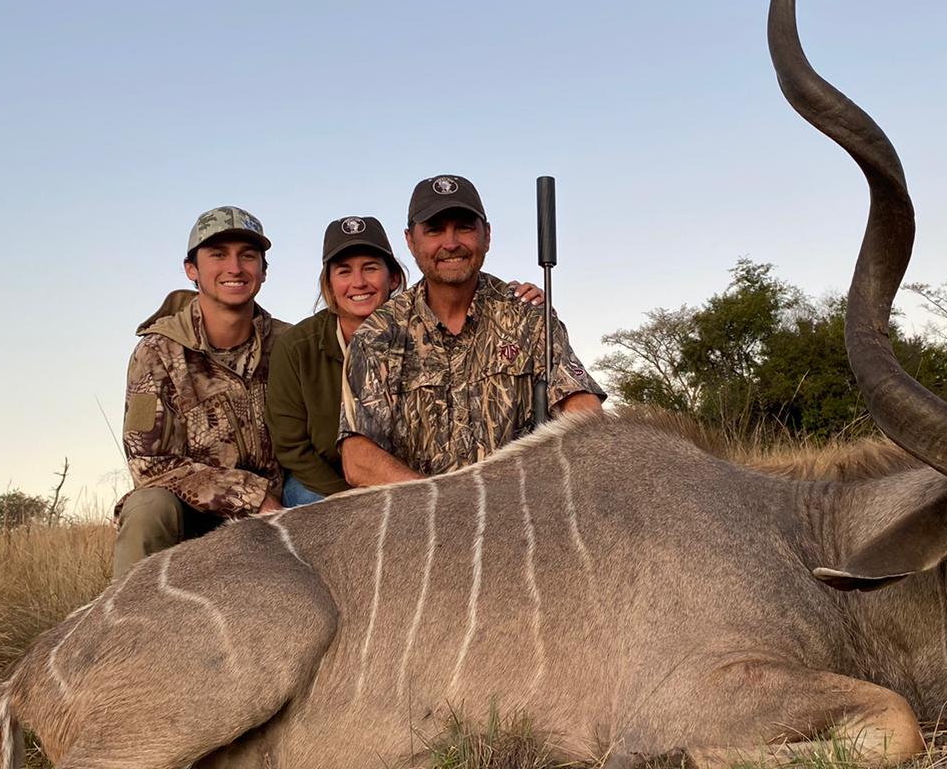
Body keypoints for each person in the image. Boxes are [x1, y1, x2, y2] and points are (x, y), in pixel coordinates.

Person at [338, 174, 606, 485]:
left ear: (487, 235)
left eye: (464, 227)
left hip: (518, 510)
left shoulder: (529, 315)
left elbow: (582, 409)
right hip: (418, 518)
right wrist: (443, 505)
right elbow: (357, 459)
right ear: (410, 242)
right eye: (435, 230)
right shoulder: (377, 334)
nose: (450, 243)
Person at [113, 206, 288, 578]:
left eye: (248, 256)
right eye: (218, 255)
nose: (235, 268)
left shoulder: (290, 343)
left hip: (284, 508)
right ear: (191, 269)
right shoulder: (157, 352)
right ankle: (130, 630)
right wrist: (249, 496)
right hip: (195, 517)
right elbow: (150, 465)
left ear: (264, 271)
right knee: (148, 509)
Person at [266, 216, 406, 506]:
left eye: (370, 268)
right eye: (344, 271)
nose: (358, 282)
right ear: (329, 283)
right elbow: (292, 448)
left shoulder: (419, 333)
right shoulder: (296, 346)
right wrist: (349, 500)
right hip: (324, 483)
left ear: (392, 277)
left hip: (402, 481)